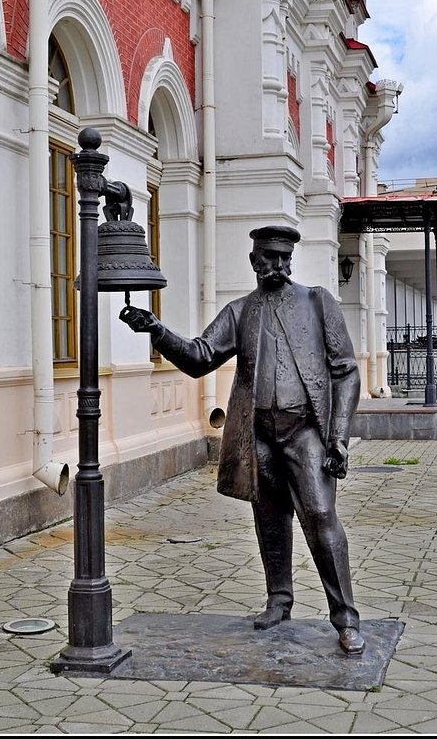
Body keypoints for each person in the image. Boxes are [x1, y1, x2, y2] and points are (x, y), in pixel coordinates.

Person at [119, 225, 365, 655]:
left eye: (283, 257)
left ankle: (345, 618)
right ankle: (279, 600)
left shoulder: (316, 302)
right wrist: (157, 331)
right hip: (258, 434)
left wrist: (339, 437)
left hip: (305, 431)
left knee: (321, 517)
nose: (278, 265)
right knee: (269, 520)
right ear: (254, 261)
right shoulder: (240, 311)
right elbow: (199, 357)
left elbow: (345, 371)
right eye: (268, 257)